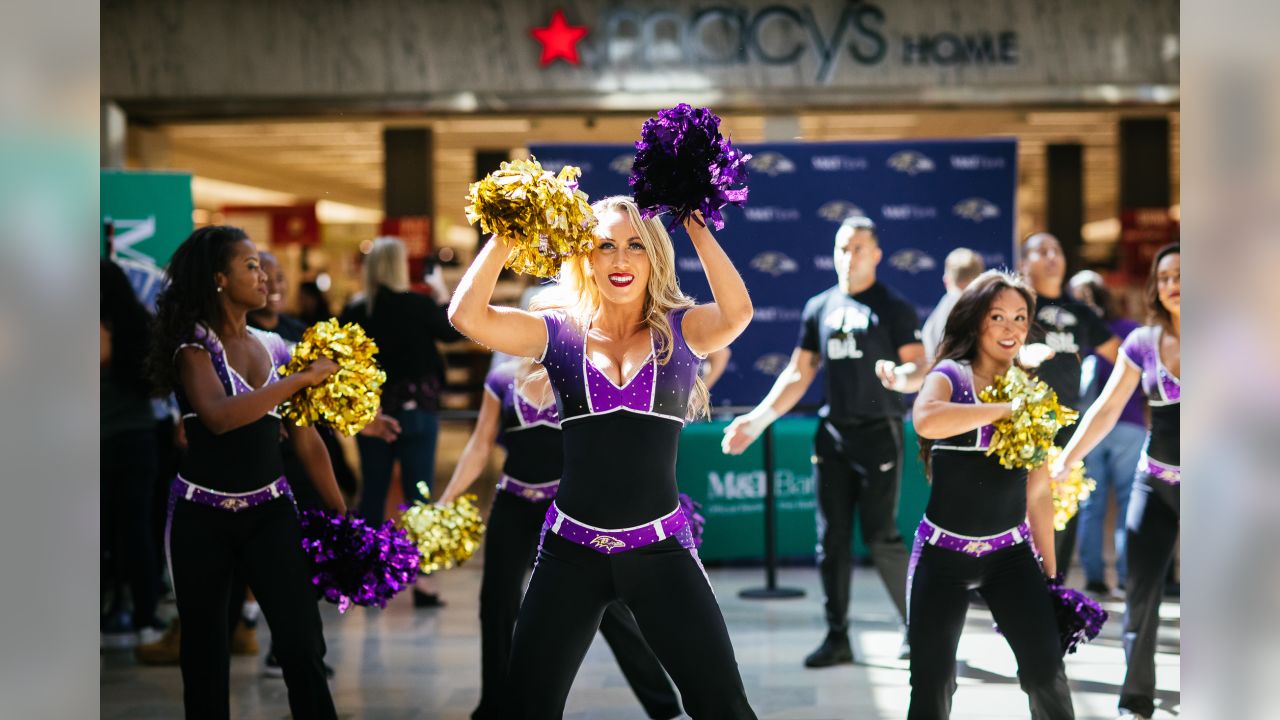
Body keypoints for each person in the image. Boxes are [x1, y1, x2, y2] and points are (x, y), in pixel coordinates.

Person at [448, 196, 757, 718]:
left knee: (723, 706)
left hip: (661, 552)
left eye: (636, 246)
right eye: (605, 246)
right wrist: (507, 233)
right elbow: (466, 315)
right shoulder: (560, 334)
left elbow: (738, 313)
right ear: (585, 258)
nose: (620, 260)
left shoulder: (681, 332)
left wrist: (696, 228)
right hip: (570, 556)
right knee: (525, 706)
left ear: (655, 257)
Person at [148, 225, 344, 719]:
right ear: (219, 279)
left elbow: (306, 439)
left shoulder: (275, 346)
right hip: (200, 517)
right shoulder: (193, 348)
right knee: (205, 656)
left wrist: (341, 511)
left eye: (262, 267)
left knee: (302, 644)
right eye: (251, 266)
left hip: (270, 512)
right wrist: (300, 379)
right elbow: (218, 416)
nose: (265, 278)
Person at [722, 216, 923, 666]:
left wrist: (900, 376)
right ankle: (838, 638)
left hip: (880, 434)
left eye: (858, 248)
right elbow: (798, 372)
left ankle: (916, 627)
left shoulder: (893, 306)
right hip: (832, 436)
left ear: (876, 254)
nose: (848, 256)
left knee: (881, 537)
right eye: (841, 247)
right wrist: (755, 422)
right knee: (829, 541)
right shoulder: (820, 306)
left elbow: (920, 366)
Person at [436, 353, 682, 720]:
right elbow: (480, 444)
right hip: (513, 504)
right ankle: (495, 706)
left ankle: (664, 707)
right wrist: (445, 500)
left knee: (610, 609)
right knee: (497, 603)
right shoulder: (502, 379)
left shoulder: (579, 374)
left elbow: (613, 444)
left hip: (569, 511)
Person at [909, 270, 1074, 720]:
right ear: (976, 320)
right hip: (942, 557)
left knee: (1045, 674)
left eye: (1020, 318)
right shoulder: (950, 375)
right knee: (932, 684)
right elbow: (925, 419)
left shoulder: (1031, 390)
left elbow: (1038, 492)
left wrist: (1052, 573)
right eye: (998, 316)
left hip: (1010, 557)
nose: (1011, 328)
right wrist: (1006, 410)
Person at [1054, 245, 1180, 720]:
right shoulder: (1142, 343)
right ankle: (1136, 699)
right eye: (1165, 276)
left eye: (1184, 275)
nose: (1174, 284)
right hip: (1156, 483)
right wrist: (1068, 457)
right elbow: (1106, 409)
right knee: (1141, 596)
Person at [339, 236, 461, 606]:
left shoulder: (356, 309)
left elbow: (344, 362)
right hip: (417, 411)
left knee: (372, 494)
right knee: (418, 496)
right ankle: (422, 581)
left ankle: (369, 578)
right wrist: (442, 293)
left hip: (373, 413)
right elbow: (453, 331)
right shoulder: (419, 305)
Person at [1019, 232, 1119, 578]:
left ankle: (1053, 591)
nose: (1050, 257)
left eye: (1056, 249)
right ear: (1023, 264)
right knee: (1018, 514)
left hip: (1068, 433)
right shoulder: (1015, 309)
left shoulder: (1080, 313)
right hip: (1019, 430)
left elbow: (1123, 359)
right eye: (1040, 251)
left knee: (1063, 513)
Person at [1067, 270, 1146, 598]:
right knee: (1129, 502)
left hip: (1090, 429)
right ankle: (1127, 577)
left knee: (1091, 504)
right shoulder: (1131, 332)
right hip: (1129, 424)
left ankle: (1095, 578)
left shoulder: (1077, 333)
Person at [101, 258, 165, 644]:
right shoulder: (138, 325)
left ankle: (109, 611)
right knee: (139, 529)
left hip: (97, 441)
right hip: (141, 438)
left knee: (98, 531)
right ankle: (145, 615)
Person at [922, 248, 984, 363]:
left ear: (946, 280)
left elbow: (930, 355)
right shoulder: (993, 309)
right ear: (982, 279)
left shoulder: (945, 308)